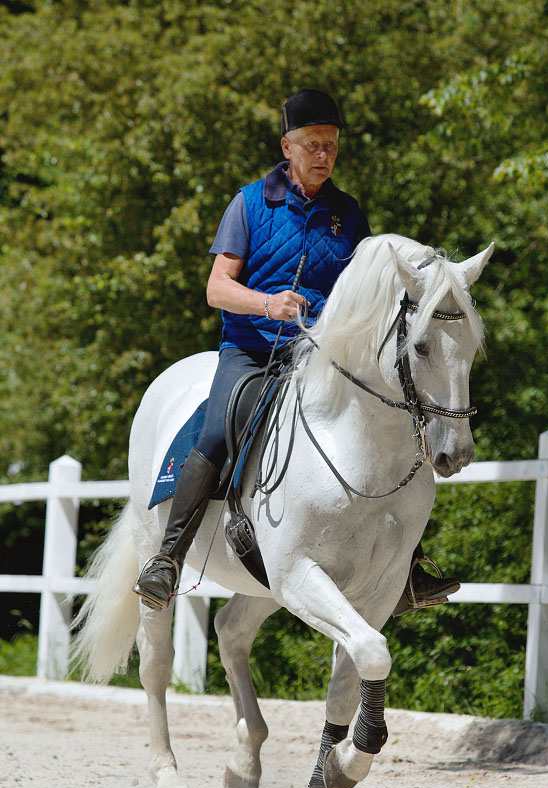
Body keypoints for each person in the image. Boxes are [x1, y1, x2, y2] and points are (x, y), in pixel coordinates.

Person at [133, 89, 460, 614]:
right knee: (218, 429)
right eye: (313, 144)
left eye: (331, 145)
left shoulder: (348, 214)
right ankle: (168, 558)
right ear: (287, 146)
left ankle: (409, 567)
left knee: (389, 426)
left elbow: (371, 293)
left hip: (322, 355)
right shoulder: (247, 203)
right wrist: (267, 303)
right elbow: (217, 289)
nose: (324, 155)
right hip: (252, 350)